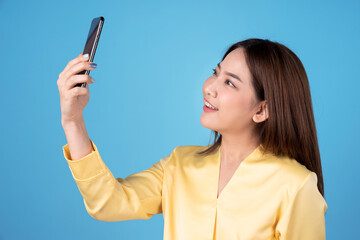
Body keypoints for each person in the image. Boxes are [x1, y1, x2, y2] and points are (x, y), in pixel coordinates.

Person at [57, 38, 328, 240]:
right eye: (215, 72)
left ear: (261, 109)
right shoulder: (179, 164)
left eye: (230, 83)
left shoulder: (295, 185)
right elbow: (107, 202)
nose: (209, 87)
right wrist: (73, 120)